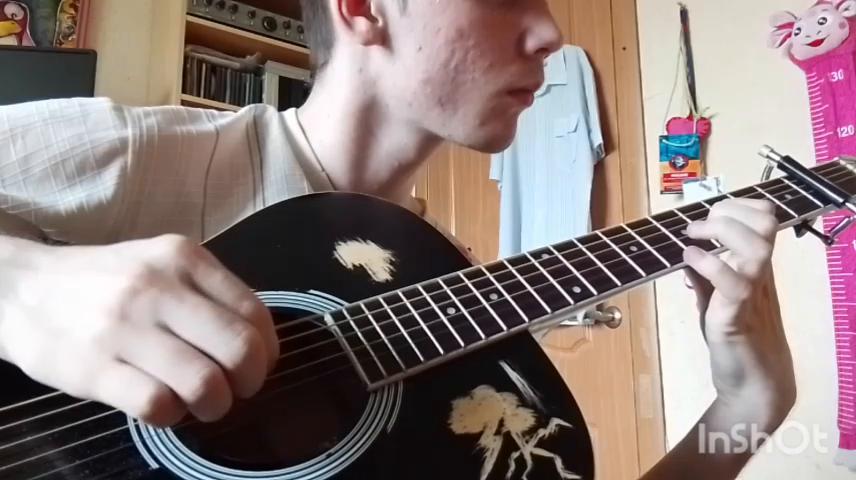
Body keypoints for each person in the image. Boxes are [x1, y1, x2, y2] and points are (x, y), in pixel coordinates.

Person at [0, 0, 795, 478]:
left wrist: (748, 408)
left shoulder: (439, 288)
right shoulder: (147, 158)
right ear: (363, 7)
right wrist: (21, 282)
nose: (551, 30)